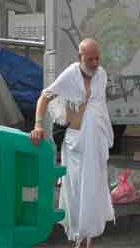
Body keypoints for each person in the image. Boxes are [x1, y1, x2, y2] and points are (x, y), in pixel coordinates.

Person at [30, 39, 114, 247]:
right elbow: (45, 97)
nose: (95, 63)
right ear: (80, 58)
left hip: (97, 143)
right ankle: (78, 236)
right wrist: (38, 125)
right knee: (76, 189)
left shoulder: (101, 75)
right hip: (76, 145)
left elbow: (99, 108)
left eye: (97, 58)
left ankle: (89, 238)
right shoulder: (70, 74)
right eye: (90, 59)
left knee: (94, 188)